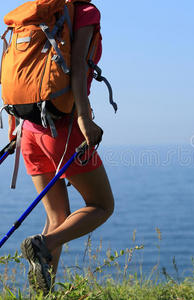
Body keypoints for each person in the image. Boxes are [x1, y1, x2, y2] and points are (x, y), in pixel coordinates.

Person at [15, 2, 114, 294]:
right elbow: (80, 66)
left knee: (58, 218)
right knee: (102, 205)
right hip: (63, 130)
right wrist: (84, 118)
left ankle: (43, 294)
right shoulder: (84, 12)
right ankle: (43, 243)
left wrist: (16, 126)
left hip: (29, 130)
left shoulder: (40, 12)